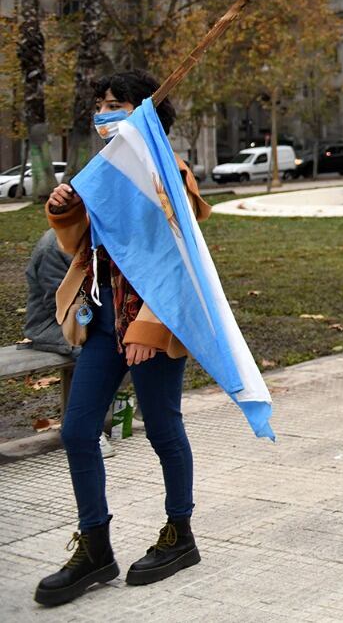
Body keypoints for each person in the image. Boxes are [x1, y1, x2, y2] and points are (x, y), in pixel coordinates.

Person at [34, 71, 208, 607]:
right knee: (78, 430)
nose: (104, 112)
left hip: (150, 323)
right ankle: (95, 548)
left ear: (145, 113)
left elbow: (178, 259)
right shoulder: (100, 172)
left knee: (161, 428)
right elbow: (82, 245)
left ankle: (180, 535)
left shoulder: (168, 173)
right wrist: (65, 207)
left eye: (118, 104)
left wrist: (148, 329)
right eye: (100, 104)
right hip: (103, 321)